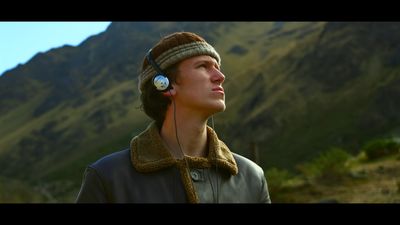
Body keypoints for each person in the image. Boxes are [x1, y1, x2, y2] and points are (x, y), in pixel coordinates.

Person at [76, 31, 271, 203]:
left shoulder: (251, 177)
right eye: (203, 66)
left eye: (217, 66)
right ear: (165, 84)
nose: (220, 76)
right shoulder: (109, 176)